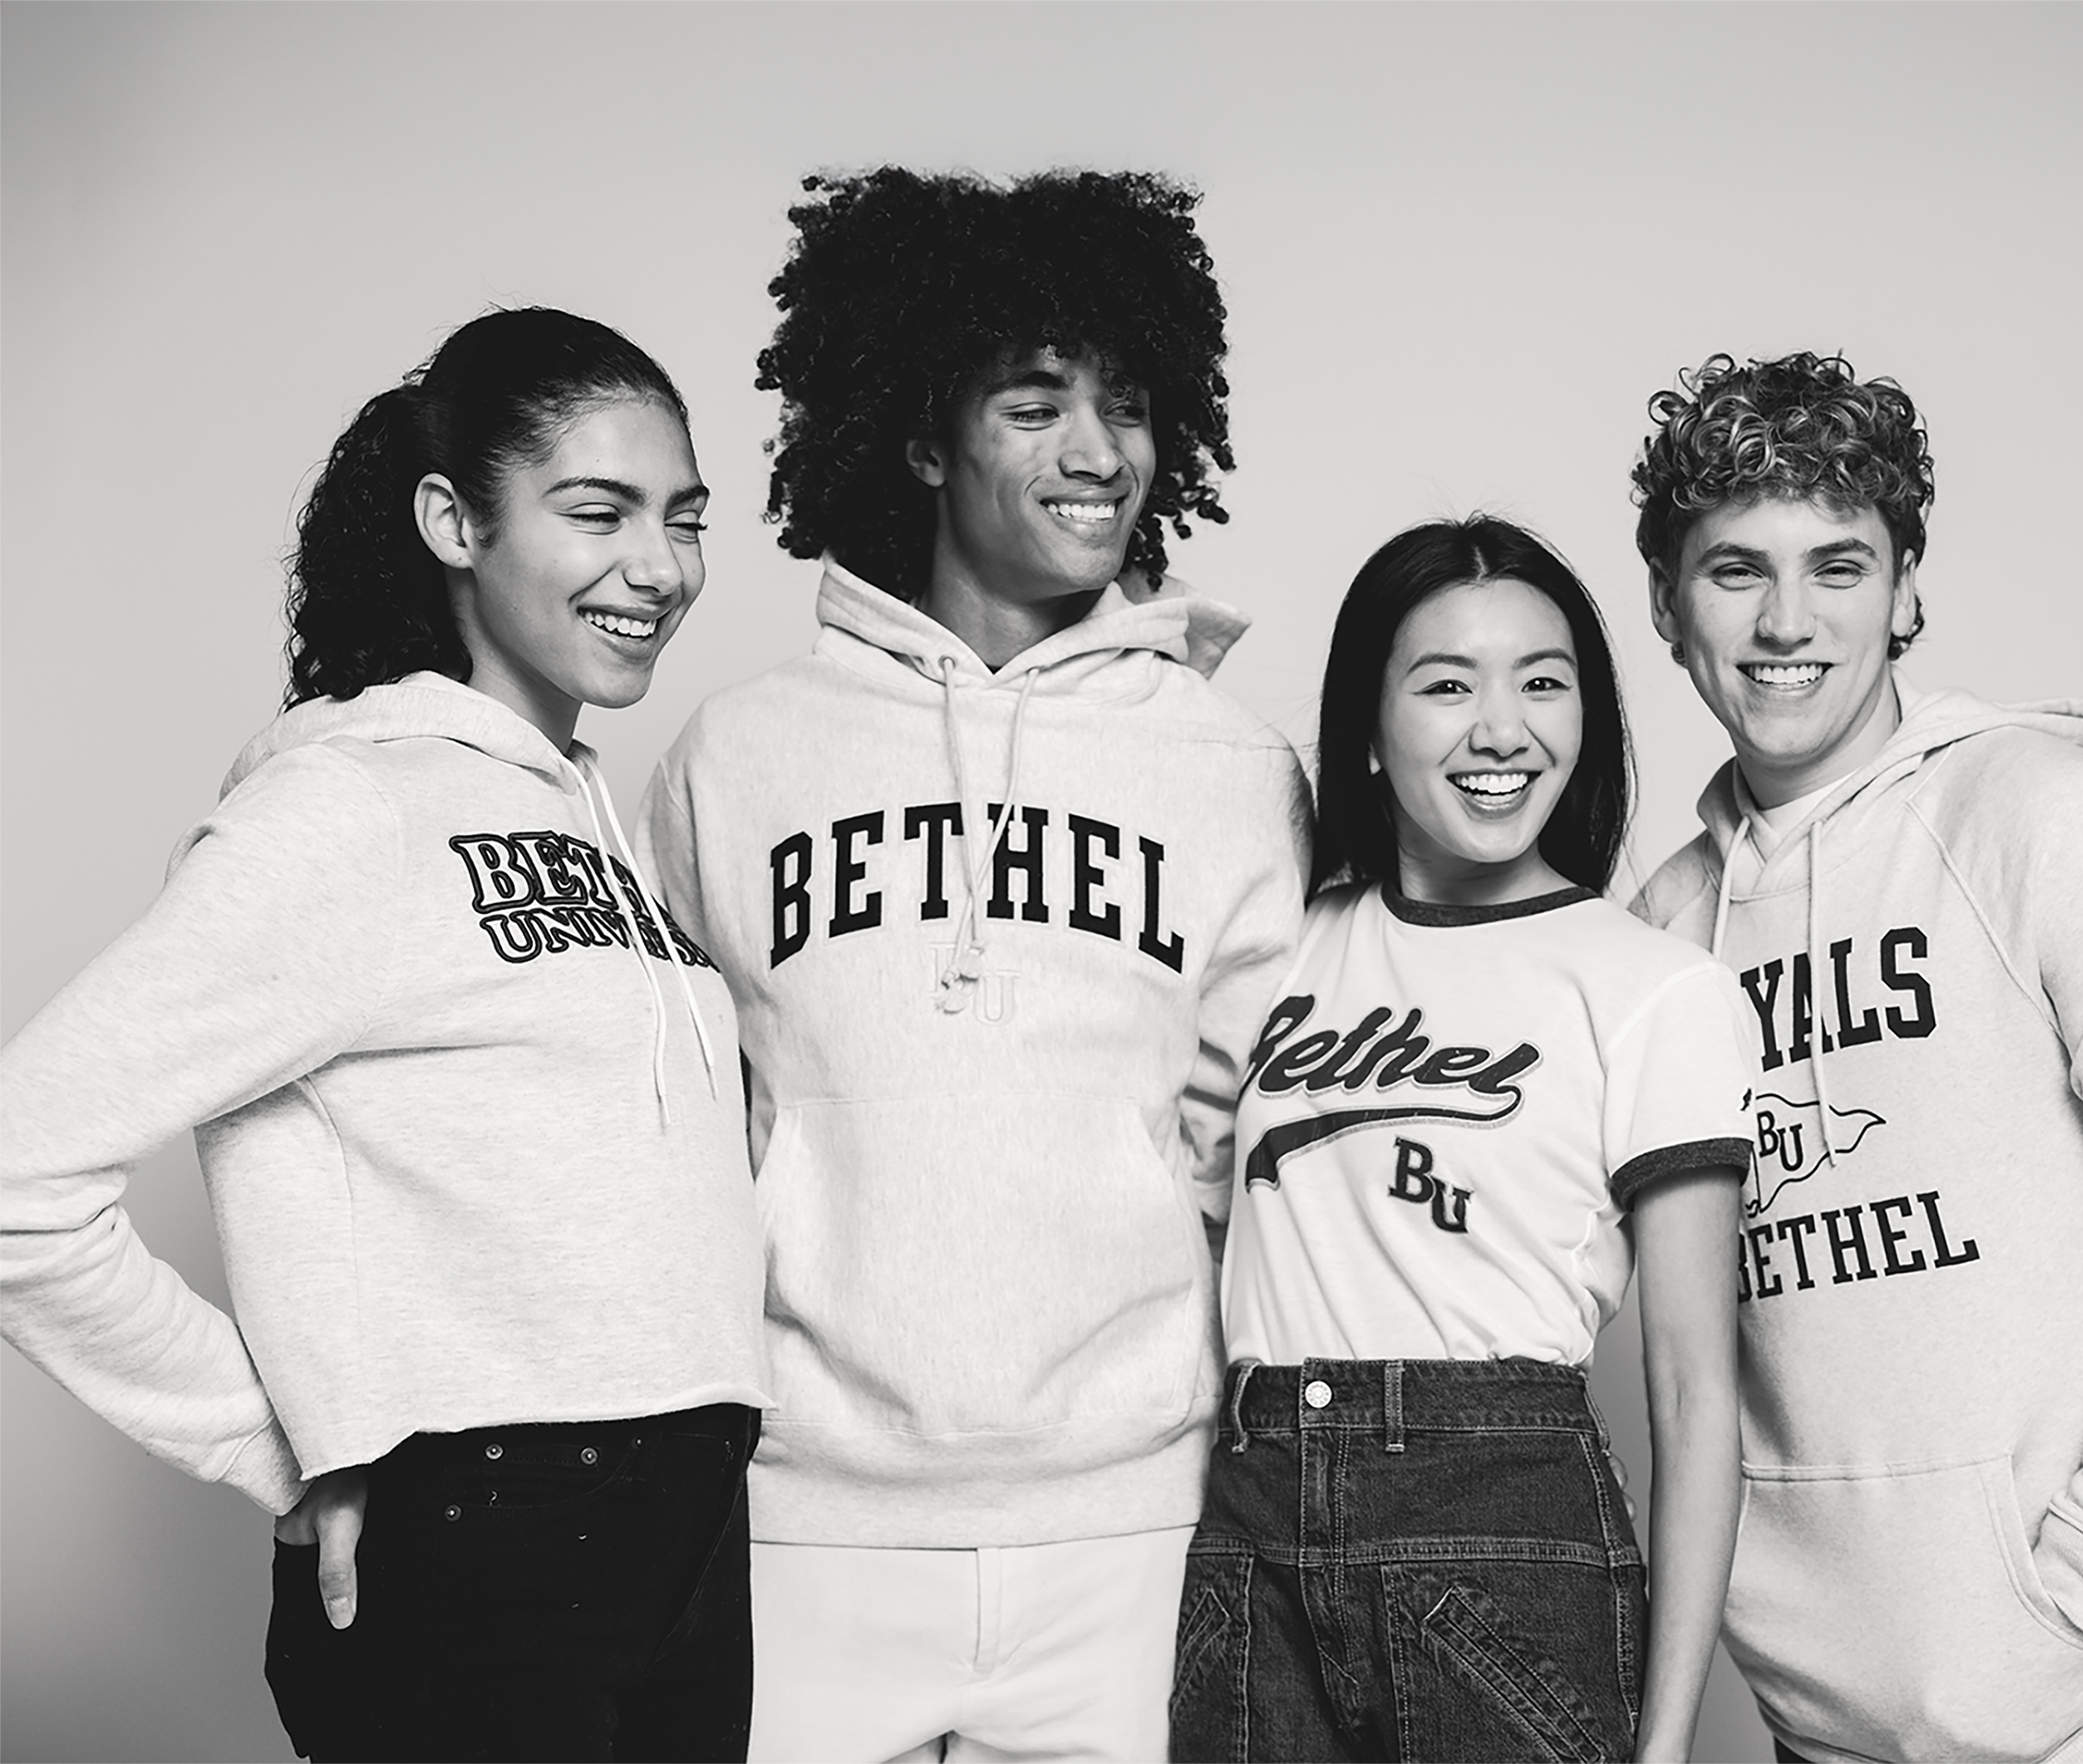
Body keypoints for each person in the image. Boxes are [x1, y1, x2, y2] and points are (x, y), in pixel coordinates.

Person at [0, 307, 772, 1762]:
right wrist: (269, 1439)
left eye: (683, 518)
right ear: (451, 522)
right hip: (483, 1547)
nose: (659, 569)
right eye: (596, 512)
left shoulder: (592, 814)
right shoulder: (345, 810)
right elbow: (17, 1167)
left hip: (688, 1527)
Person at [641, 169, 1308, 1762]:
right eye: (1036, 405)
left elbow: (1250, 1148)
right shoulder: (736, 757)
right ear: (927, 437)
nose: (1098, 454)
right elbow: (663, 1137)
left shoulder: (1231, 769)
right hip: (803, 1520)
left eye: (1129, 406)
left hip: (1132, 1520)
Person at [1627, 350, 2083, 1764]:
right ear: (1666, 602)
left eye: (1838, 566)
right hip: (1826, 1718)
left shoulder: (2048, 825)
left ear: (1903, 595)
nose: (1785, 621)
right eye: (1734, 570)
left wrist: (2074, 1590)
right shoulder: (1665, 933)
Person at [1174, 517, 1751, 1764]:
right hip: (1249, 1527)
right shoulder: (1274, 943)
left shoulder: (1653, 988)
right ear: (1369, 728)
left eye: (1545, 683)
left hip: (1501, 1530)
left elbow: (1698, 1393)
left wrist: (1668, 1747)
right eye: (1446, 685)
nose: (1504, 729)